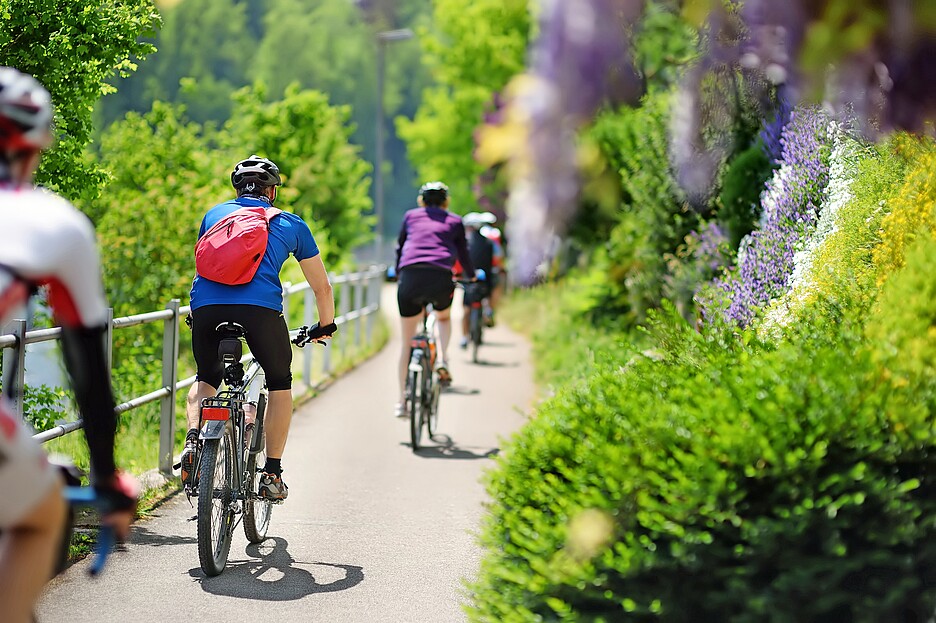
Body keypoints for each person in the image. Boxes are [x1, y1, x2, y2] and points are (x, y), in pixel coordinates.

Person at [0, 67, 138, 623]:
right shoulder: (52, 221)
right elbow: (88, 370)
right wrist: (107, 478)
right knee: (44, 515)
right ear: (34, 145)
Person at [183, 155, 336, 502]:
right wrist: (325, 325)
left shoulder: (214, 215)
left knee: (205, 379)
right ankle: (272, 474)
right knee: (279, 382)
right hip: (260, 312)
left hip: (207, 309)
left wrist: (199, 311)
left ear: (237, 189)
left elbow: (205, 266)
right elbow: (322, 287)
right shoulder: (291, 224)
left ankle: (193, 441)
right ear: (272, 191)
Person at [394, 181, 474, 417]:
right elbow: (463, 254)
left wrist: (398, 271)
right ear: (446, 201)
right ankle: (442, 357)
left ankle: (402, 403)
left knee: (406, 343)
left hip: (410, 277)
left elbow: (400, 248)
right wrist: (472, 276)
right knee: (443, 317)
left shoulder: (410, 216)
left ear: (422, 201)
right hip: (440, 277)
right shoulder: (455, 221)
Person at [458, 212, 495, 348]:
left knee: (466, 311)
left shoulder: (465, 243)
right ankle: (488, 310)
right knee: (489, 294)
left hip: (469, 280)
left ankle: (463, 337)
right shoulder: (489, 243)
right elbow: (494, 262)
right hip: (486, 280)